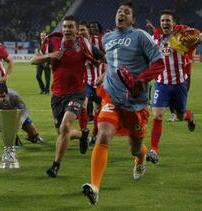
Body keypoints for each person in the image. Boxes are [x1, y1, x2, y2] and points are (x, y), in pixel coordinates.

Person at [82, 2, 164, 205]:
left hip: (136, 104)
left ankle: (141, 159)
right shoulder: (107, 38)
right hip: (112, 98)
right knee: (103, 134)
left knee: (135, 148)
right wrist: (103, 75)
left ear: (133, 19)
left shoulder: (140, 36)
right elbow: (110, 61)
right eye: (119, 11)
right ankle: (95, 187)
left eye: (126, 12)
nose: (121, 14)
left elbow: (159, 62)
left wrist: (142, 80)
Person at [31, 15, 96, 177]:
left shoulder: (83, 43)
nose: (67, 29)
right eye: (65, 27)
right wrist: (50, 56)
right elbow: (34, 60)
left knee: (66, 126)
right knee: (62, 132)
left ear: (76, 29)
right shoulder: (52, 42)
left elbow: (96, 57)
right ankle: (82, 135)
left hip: (77, 92)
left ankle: (55, 166)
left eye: (70, 27)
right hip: (57, 94)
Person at [147, 10, 201, 164]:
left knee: (180, 115)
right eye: (162, 20)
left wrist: (198, 39)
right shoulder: (154, 39)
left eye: (168, 20)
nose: (165, 23)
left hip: (179, 84)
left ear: (174, 23)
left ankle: (189, 117)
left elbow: (196, 39)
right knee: (157, 115)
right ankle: (154, 150)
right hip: (161, 84)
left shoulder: (181, 38)